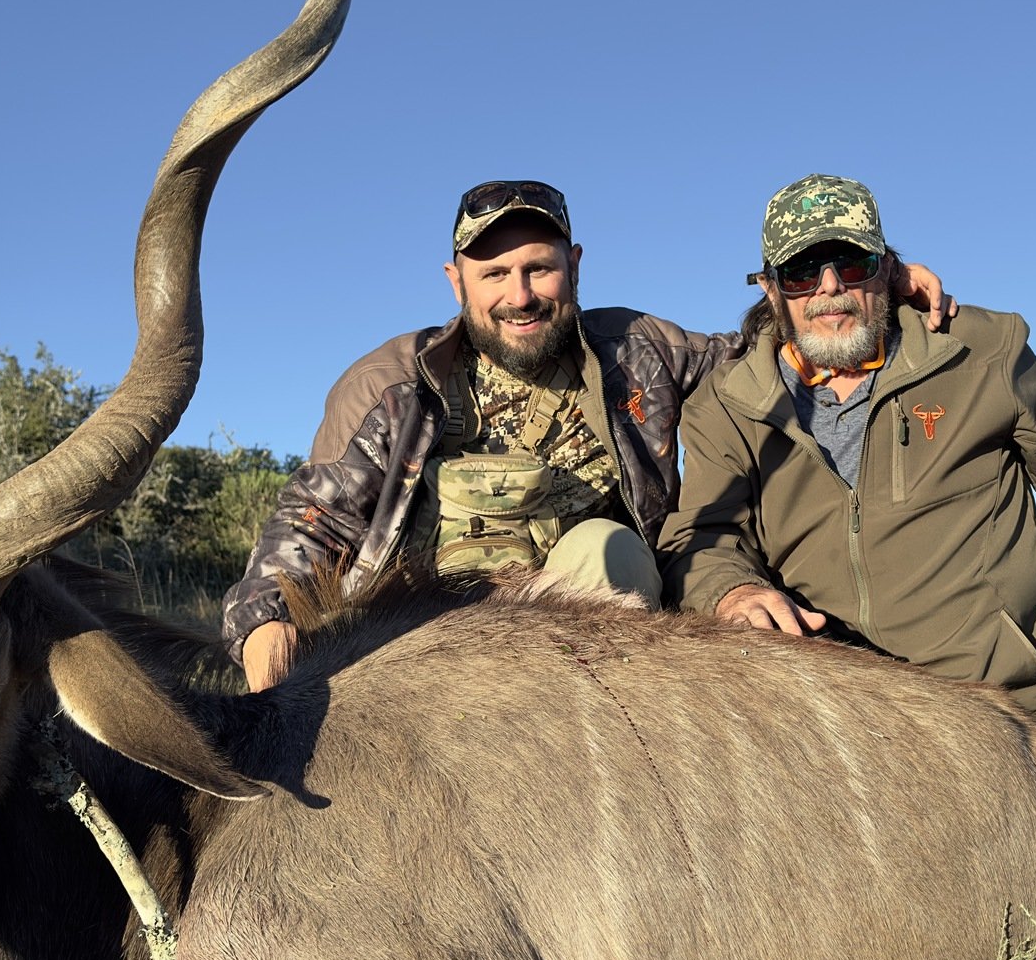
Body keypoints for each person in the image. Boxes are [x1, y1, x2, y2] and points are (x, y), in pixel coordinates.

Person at [222, 178, 952, 690]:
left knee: (610, 550)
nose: (520, 295)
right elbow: (308, 521)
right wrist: (264, 621)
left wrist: (865, 284)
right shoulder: (392, 385)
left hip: (600, 657)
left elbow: (761, 349)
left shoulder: (644, 350)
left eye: (540, 268)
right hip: (425, 647)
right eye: (496, 273)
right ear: (455, 282)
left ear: (574, 267)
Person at [659, 173, 1036, 724]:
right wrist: (732, 594)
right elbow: (703, 538)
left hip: (999, 707)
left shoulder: (982, 349)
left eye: (851, 264)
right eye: (800, 272)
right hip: (835, 715)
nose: (829, 289)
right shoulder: (725, 405)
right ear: (771, 291)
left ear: (888, 270)